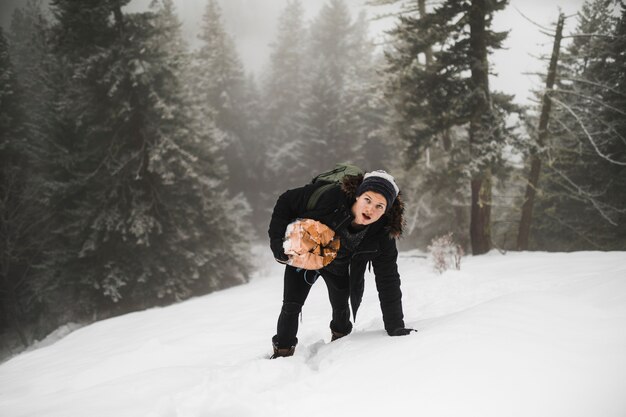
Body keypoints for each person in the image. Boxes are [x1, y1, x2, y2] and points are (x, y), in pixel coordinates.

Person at [268, 169, 416, 358]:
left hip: (338, 266)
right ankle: (282, 351)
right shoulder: (331, 199)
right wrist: (276, 242)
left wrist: (395, 326)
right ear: (357, 196)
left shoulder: (382, 234)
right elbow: (286, 201)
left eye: (380, 206)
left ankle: (340, 341)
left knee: (340, 307)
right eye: (368, 200)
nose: (371, 209)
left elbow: (388, 279)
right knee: (291, 305)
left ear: (387, 211)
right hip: (306, 253)